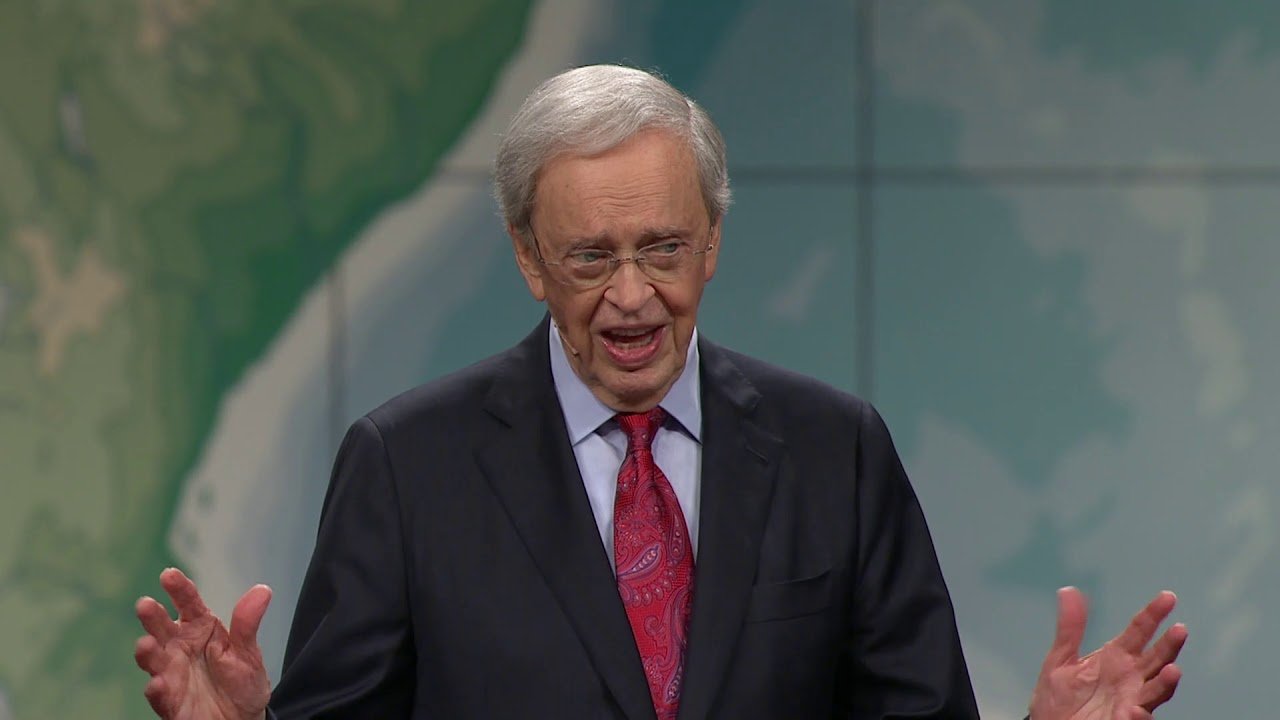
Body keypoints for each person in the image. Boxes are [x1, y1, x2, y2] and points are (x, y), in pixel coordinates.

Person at [134, 64, 1186, 719]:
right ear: (528, 257)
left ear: (713, 242)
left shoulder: (837, 449)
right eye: (590, 257)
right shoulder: (406, 466)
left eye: (663, 248)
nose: (632, 296)